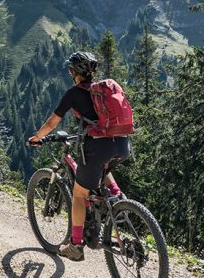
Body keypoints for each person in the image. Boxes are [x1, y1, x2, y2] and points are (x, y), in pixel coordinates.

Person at [28, 51, 132, 262]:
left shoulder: (74, 93)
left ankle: (76, 246)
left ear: (73, 72)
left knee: (79, 195)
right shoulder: (103, 91)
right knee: (103, 167)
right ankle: (118, 197)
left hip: (98, 147)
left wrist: (37, 137)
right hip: (122, 143)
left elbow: (52, 123)